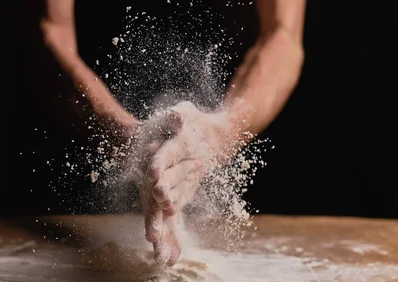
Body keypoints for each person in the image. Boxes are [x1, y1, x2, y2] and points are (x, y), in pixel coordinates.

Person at [40, 0, 306, 266]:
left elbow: (283, 37)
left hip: (249, 137)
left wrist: (220, 133)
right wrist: (128, 136)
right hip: (70, 163)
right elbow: (53, 34)